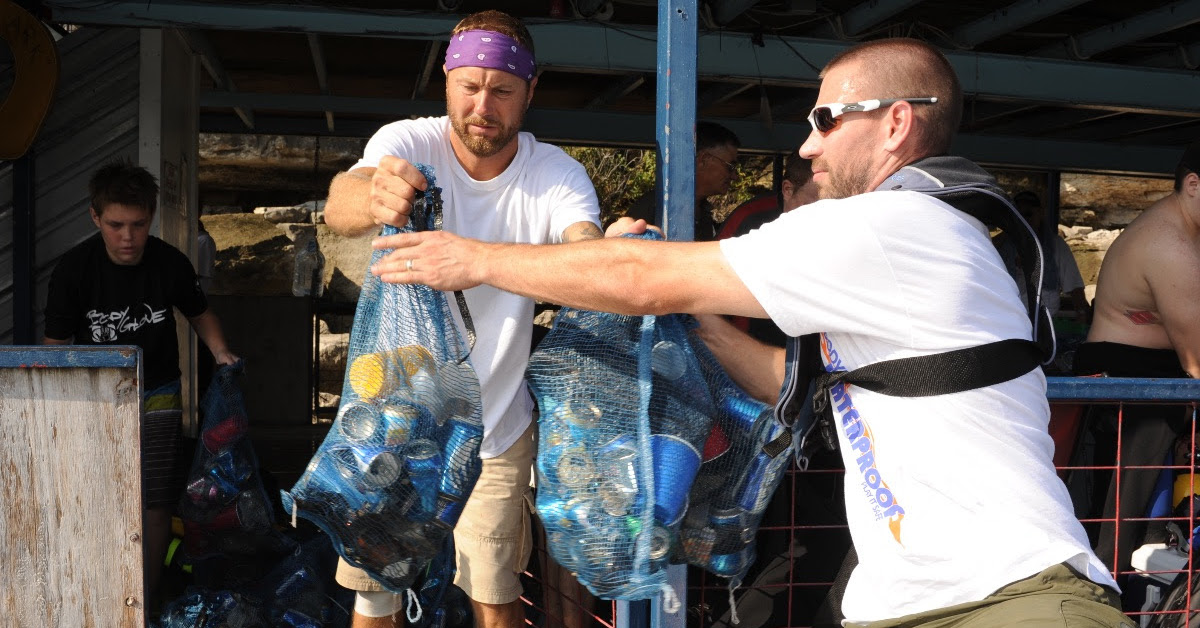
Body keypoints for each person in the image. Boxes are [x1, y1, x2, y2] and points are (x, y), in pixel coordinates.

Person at [370, 37, 1133, 627]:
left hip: (1010, 600)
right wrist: (696, 318)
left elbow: (640, 279)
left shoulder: (894, 225)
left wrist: (469, 258)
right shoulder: (908, 239)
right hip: (907, 602)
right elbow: (798, 385)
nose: (807, 146)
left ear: (896, 123)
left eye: (826, 120)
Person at [321, 10, 603, 628]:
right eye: (469, 86)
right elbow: (344, 199)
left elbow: (585, 257)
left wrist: (599, 250)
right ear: (446, 83)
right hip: (391, 421)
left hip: (498, 430)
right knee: (375, 598)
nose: (484, 105)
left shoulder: (556, 175)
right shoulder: (409, 142)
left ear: (529, 94)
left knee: (495, 600)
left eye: (503, 90)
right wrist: (371, 195)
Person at [42, 160, 240, 613]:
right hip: (96, 398)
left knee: (154, 498)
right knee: (98, 493)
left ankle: (144, 601)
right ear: (95, 218)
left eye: (137, 224)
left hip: (159, 391)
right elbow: (55, 345)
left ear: (150, 218)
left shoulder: (170, 262)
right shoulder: (74, 270)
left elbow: (200, 313)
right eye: (115, 225)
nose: (127, 236)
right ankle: (96, 587)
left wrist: (221, 352)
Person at [1069, 141, 1200, 579]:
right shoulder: (1169, 242)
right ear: (1193, 185)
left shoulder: (1187, 232)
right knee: (1115, 523)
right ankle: (1106, 592)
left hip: (1154, 373)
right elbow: (1198, 361)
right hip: (1127, 377)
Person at [622, 121, 740, 241]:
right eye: (730, 166)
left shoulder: (704, 213)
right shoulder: (652, 209)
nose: (735, 177)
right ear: (703, 160)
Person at [994, 190, 1088, 321]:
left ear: (1040, 214)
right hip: (1007, 319)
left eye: (1028, 214)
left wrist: (1082, 312)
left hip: (1044, 320)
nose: (1024, 220)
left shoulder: (1056, 245)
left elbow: (1074, 286)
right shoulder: (999, 245)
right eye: (1018, 215)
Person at [717, 153, 817, 241]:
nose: (821, 215)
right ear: (787, 190)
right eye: (812, 207)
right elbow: (713, 258)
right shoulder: (749, 217)